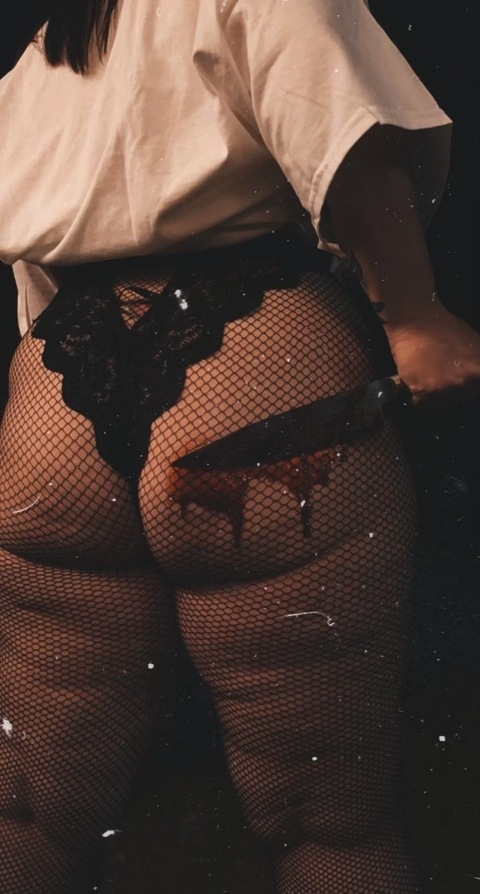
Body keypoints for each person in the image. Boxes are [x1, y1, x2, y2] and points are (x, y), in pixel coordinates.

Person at [0, 1, 479, 892]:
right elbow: (342, 129)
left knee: (33, 809)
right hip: (255, 362)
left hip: (56, 406)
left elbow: (38, 242)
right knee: (330, 826)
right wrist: (415, 317)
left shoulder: (50, 48)